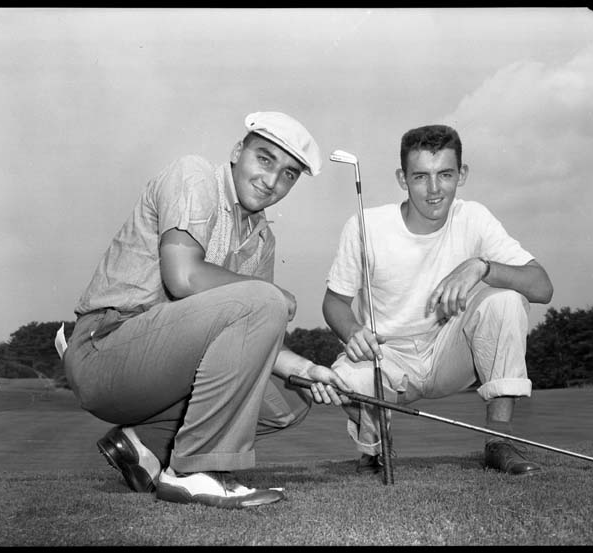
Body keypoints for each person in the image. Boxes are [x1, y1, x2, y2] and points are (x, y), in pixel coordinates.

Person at [62, 111, 352, 509]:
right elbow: (183, 276)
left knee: (293, 398)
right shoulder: (195, 176)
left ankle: (141, 444)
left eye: (288, 174)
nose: (271, 181)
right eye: (264, 159)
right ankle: (192, 472)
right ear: (236, 152)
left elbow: (254, 332)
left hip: (161, 368)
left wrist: (308, 369)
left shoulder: (262, 239)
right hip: (106, 350)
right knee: (264, 299)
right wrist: (269, 294)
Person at [321, 124, 554, 476]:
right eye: (420, 177)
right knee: (341, 383)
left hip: (451, 353)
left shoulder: (473, 217)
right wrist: (353, 331)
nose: (434, 189)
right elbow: (334, 302)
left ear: (462, 174)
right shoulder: (365, 225)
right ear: (402, 178)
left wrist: (481, 267)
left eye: (445, 174)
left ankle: (499, 442)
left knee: (506, 300)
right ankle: (375, 446)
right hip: (387, 357)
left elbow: (542, 287)